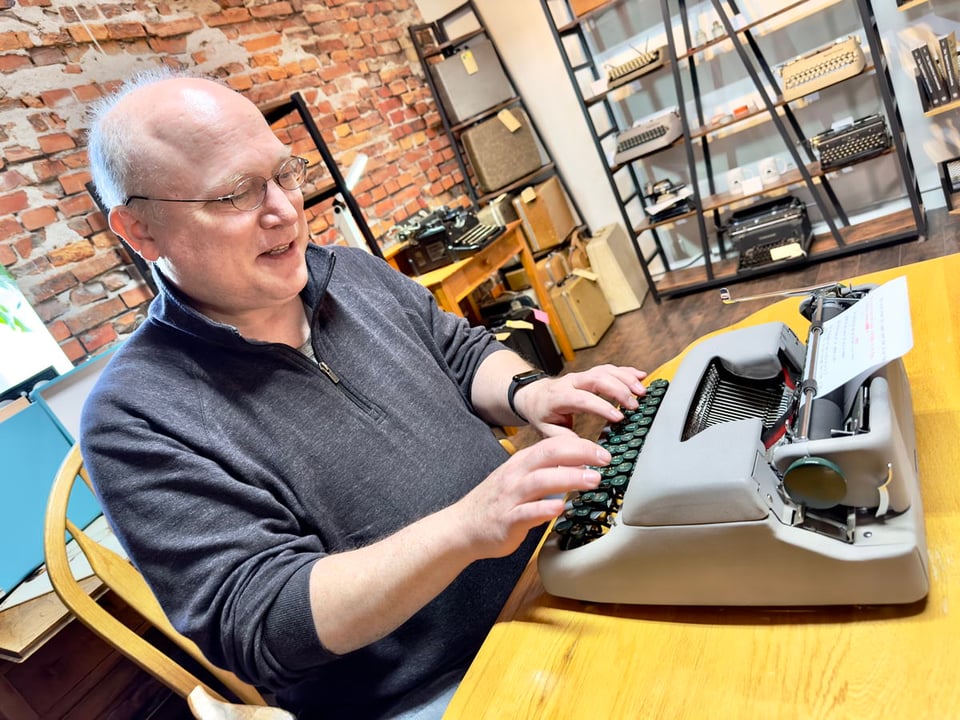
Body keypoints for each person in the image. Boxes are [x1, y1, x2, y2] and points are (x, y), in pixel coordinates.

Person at [80, 68, 648, 719]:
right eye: (236, 194)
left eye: (284, 174)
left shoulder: (351, 272)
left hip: (548, 577)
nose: (285, 209)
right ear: (139, 231)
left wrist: (530, 394)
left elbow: (458, 353)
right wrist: (467, 527)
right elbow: (266, 620)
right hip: (434, 687)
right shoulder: (134, 417)